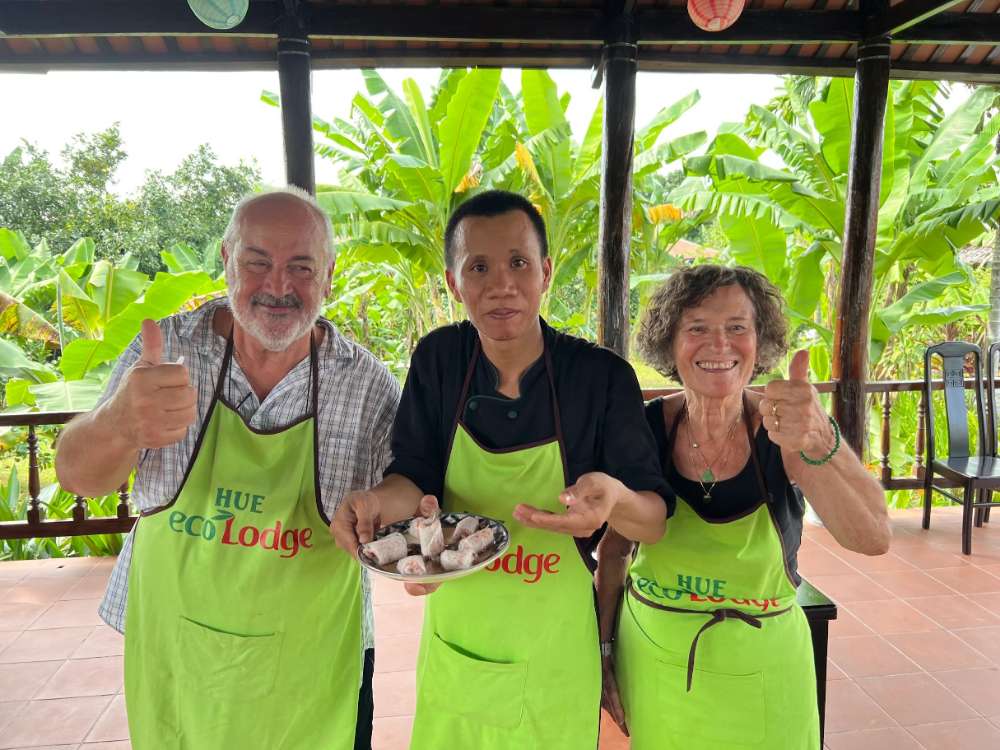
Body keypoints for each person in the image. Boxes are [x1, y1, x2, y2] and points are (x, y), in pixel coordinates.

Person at [55, 188, 400, 750]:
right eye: (257, 262)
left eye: (301, 267)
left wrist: (391, 515)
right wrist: (121, 424)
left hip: (313, 668)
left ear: (330, 275)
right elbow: (75, 474)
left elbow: (403, 498)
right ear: (226, 260)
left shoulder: (367, 385)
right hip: (179, 660)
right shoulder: (166, 351)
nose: (278, 286)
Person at [331, 189, 671, 750]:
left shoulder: (600, 377)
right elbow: (412, 478)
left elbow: (653, 521)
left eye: (518, 263)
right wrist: (374, 504)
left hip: (556, 649)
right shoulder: (440, 360)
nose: (501, 285)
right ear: (452, 281)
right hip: (461, 640)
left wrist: (615, 501)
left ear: (546, 271)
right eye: (478, 267)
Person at [597, 264, 891, 749]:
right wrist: (606, 651)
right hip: (657, 669)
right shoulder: (644, 429)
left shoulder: (784, 429)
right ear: (670, 343)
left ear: (761, 343)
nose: (719, 345)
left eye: (738, 328)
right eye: (697, 328)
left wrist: (816, 441)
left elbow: (872, 538)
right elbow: (613, 554)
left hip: (767, 674)